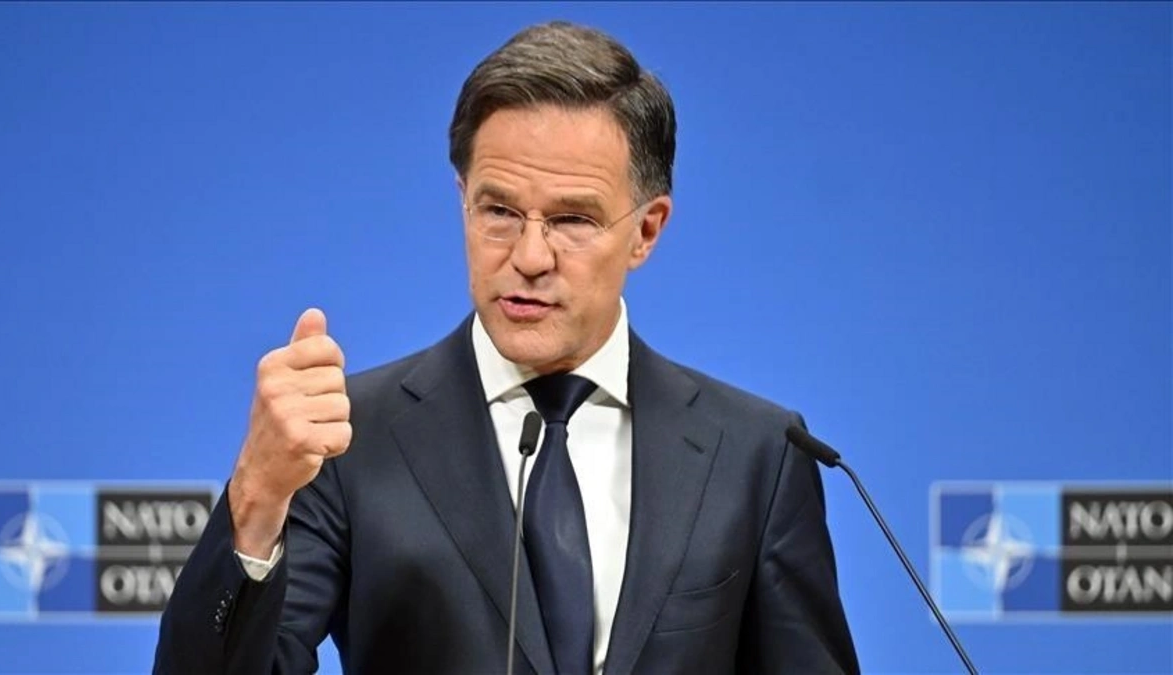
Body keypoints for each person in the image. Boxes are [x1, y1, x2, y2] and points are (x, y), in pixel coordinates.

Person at [154, 20, 859, 675]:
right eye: (498, 211)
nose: (528, 256)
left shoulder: (756, 455)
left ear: (646, 230)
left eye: (572, 219)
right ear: (462, 198)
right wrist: (257, 496)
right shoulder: (349, 441)